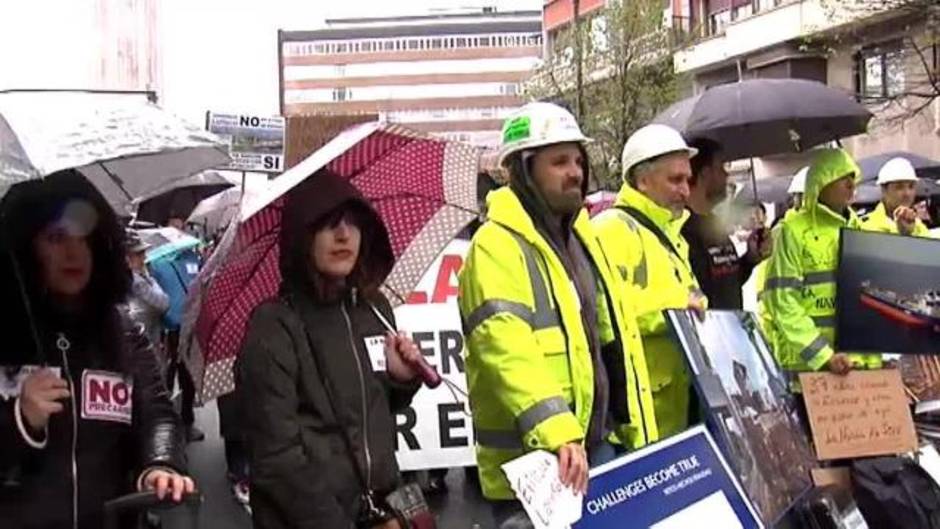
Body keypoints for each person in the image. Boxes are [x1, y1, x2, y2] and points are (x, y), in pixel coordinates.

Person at [458, 102, 658, 528]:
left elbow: (610, 334)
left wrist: (627, 427)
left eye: (578, 160)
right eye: (559, 161)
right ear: (524, 170)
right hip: (536, 468)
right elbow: (506, 350)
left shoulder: (581, 234)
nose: (575, 172)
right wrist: (557, 431)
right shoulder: (496, 246)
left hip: (595, 447)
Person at [0, 170, 194, 529]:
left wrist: (160, 464)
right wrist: (19, 419)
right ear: (24, 246)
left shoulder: (123, 333)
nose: (75, 251)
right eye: (56, 237)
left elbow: (158, 416)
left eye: (85, 236)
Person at [238, 169, 423, 529]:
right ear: (301, 238)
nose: (343, 235)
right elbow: (276, 460)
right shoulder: (273, 326)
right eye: (327, 224)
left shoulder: (374, 309)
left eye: (353, 223)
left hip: (383, 511)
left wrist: (402, 381)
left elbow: (373, 411)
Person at [593, 124, 704, 439]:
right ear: (642, 181)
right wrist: (676, 310)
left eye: (688, 179)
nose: (685, 190)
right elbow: (606, 312)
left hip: (675, 406)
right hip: (639, 415)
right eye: (675, 180)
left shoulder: (671, 235)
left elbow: (691, 295)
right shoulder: (611, 230)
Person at [763, 149, 882, 383]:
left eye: (852, 177)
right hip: (813, 371)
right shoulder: (794, 232)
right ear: (820, 183)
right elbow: (782, 301)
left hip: (859, 369)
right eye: (841, 177)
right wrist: (823, 356)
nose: (850, 184)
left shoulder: (859, 228)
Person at [682, 139, 771, 309]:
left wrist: (750, 258)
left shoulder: (715, 224)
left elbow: (728, 282)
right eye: (721, 168)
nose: (726, 175)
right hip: (708, 331)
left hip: (731, 330)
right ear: (705, 173)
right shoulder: (683, 230)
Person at [150, 221, 204, 442]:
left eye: (181, 227)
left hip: (189, 327)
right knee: (166, 376)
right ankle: (166, 425)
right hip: (168, 329)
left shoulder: (193, 258)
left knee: (187, 376)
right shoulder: (156, 263)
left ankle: (186, 420)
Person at [125, 231, 170, 365]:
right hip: (142, 350)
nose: (144, 258)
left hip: (148, 343)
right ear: (127, 258)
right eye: (138, 254)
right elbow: (163, 303)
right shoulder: (137, 282)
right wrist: (151, 280)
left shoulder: (138, 278)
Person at [861, 157, 930, 237]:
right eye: (899, 187)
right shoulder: (868, 226)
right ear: (884, 190)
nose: (907, 193)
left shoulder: (918, 226)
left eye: (911, 187)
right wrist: (902, 233)